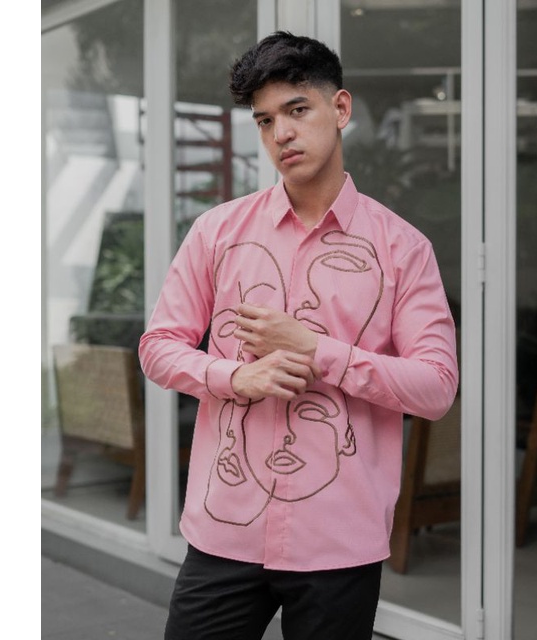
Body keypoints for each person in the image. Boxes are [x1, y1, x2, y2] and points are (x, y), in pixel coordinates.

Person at [139, 31, 459, 640]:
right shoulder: (216, 233)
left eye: (296, 110)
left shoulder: (403, 249)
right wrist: (236, 376)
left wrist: (318, 350)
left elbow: (437, 387)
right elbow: (158, 347)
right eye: (265, 121)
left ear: (340, 109)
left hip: (338, 537)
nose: (281, 134)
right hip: (226, 528)